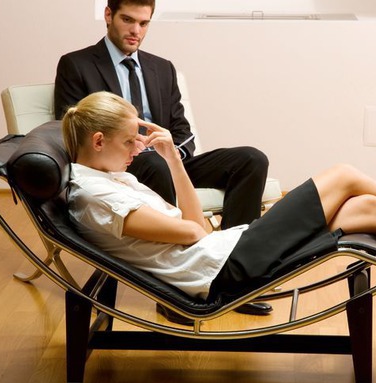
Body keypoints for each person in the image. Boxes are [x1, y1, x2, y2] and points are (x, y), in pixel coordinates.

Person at [62, 91, 376, 323]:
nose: (138, 148)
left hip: (224, 250)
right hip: (222, 269)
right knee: (344, 175)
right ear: (99, 140)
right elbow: (194, 232)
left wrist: (173, 158)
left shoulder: (112, 178)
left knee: (366, 208)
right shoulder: (96, 197)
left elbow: (194, 225)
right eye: (130, 141)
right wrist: (197, 225)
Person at [54, 0, 272, 321]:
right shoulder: (77, 64)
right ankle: (172, 294)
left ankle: (233, 272)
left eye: (144, 23)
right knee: (153, 165)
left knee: (251, 159)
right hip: (118, 165)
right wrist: (135, 149)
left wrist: (171, 155)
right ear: (108, 15)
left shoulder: (162, 68)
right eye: (128, 20)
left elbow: (182, 130)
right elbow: (72, 129)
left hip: (164, 158)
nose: (136, 30)